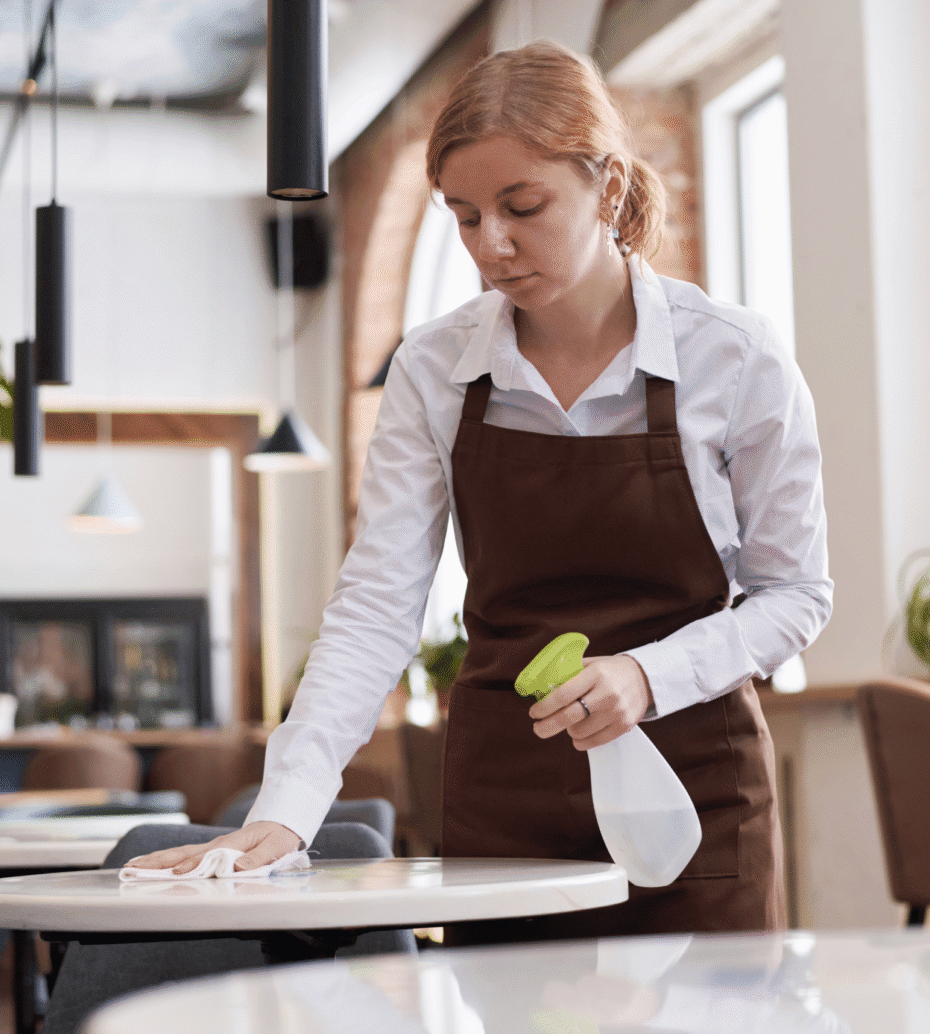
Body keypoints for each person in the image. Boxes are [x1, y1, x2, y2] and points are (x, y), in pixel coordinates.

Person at [128, 40, 832, 944]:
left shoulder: (732, 358)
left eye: (522, 206)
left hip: (692, 798)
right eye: (463, 217)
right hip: (509, 802)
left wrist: (648, 676)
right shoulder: (434, 369)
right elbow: (378, 603)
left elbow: (796, 595)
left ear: (608, 188)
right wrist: (291, 806)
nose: (490, 245)